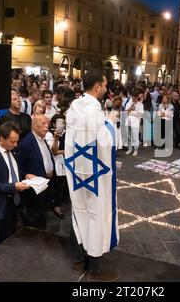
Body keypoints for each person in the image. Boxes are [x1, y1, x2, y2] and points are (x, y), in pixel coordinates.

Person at [65, 69, 120, 281]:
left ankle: (78, 260)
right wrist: (111, 122)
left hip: (78, 171)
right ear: (97, 86)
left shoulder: (75, 106)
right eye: (105, 85)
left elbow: (73, 138)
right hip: (95, 174)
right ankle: (94, 267)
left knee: (79, 212)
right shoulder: (96, 111)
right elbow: (105, 142)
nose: (106, 89)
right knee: (96, 215)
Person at [0, 122, 30, 250]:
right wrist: (14, 187)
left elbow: (12, 171)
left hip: (13, 203)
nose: (16, 145)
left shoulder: (12, 152)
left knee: (10, 237)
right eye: (13, 141)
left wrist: (26, 176)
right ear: (2, 138)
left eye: (17, 141)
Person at [16, 115, 55, 229]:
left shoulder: (42, 139)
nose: (47, 126)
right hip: (34, 190)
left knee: (42, 217)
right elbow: (17, 166)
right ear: (34, 126)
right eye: (43, 123)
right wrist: (25, 175)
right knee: (34, 221)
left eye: (47, 123)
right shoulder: (26, 143)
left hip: (45, 186)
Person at [123, 89, 144, 156]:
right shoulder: (129, 103)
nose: (134, 98)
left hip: (136, 122)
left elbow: (140, 114)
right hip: (128, 121)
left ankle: (135, 150)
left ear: (138, 97)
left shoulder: (140, 104)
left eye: (135, 97)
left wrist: (133, 111)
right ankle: (129, 149)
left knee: (135, 136)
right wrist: (131, 106)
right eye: (133, 97)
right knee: (128, 135)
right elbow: (125, 112)